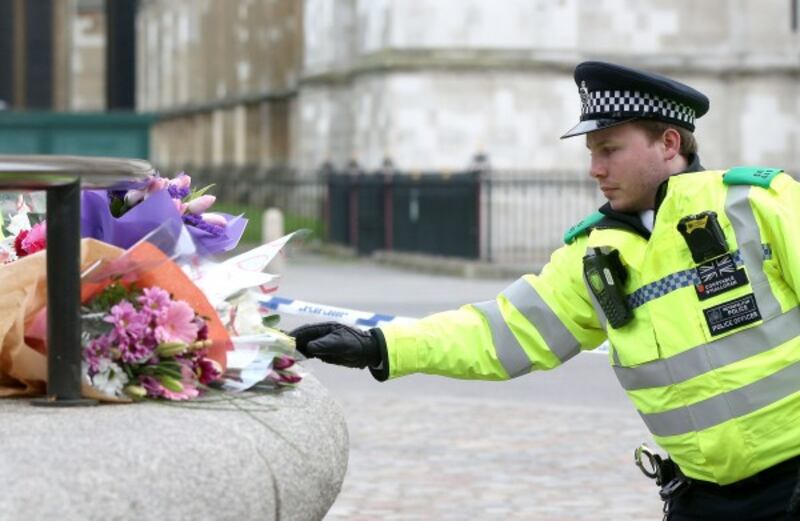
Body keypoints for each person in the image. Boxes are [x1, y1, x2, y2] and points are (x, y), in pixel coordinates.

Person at [291, 61, 800, 520]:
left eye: (610, 150)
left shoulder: (755, 205)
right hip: (703, 500)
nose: (595, 169)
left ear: (669, 143)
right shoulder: (594, 253)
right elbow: (503, 332)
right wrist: (382, 345)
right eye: (592, 153)